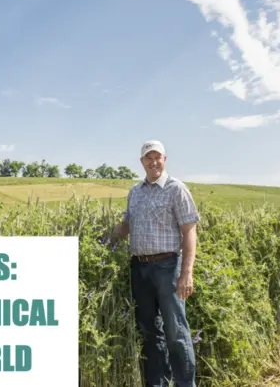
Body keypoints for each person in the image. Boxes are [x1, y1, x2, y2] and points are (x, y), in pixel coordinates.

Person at [108, 139, 199, 387]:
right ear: (142, 162)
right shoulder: (135, 192)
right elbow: (126, 226)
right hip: (139, 268)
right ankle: (158, 383)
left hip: (168, 267)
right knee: (150, 331)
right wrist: (105, 236)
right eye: (149, 157)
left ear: (165, 159)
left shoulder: (176, 189)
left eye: (158, 157)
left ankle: (185, 384)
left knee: (176, 331)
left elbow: (190, 230)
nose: (153, 161)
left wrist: (186, 272)